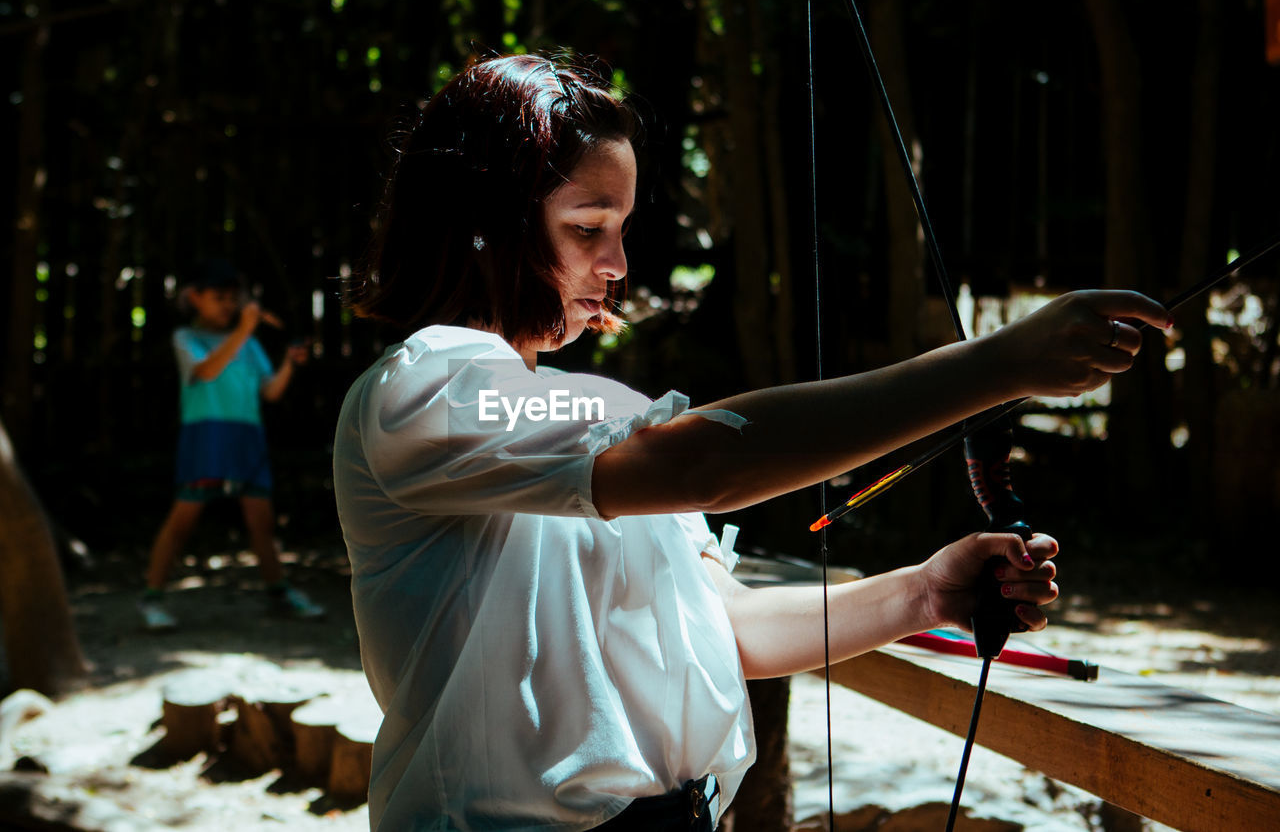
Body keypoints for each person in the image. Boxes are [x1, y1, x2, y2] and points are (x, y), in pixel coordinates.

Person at [332, 55, 1171, 831]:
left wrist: (922, 592)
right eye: (589, 227)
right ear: (490, 225)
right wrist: (998, 363)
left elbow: (726, 628)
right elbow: (714, 459)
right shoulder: (428, 389)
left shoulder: (593, 412)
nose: (619, 261)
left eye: (622, 226)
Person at [138, 258, 325, 631]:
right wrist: (242, 331)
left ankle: (279, 593)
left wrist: (289, 363)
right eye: (219, 297)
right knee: (182, 521)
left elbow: (270, 391)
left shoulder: (250, 343)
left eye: (232, 298)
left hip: (247, 438)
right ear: (195, 297)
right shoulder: (185, 339)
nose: (228, 304)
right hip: (205, 437)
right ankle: (152, 599)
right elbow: (206, 371)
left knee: (262, 521)